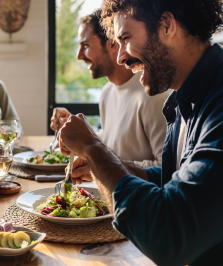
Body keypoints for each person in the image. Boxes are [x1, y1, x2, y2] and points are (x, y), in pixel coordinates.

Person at [58, 0, 223, 265]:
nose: (121, 56)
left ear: (167, 25)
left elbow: (169, 237)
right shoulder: (185, 99)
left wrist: (92, 147)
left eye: (125, 38)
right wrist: (103, 166)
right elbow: (173, 180)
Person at [51, 10, 170, 168]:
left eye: (85, 45)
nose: (79, 56)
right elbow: (111, 142)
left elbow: (166, 169)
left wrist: (104, 165)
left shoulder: (152, 95)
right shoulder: (107, 92)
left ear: (112, 44)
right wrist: (78, 130)